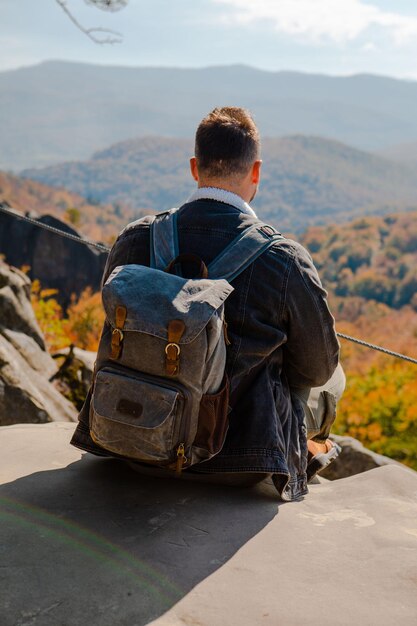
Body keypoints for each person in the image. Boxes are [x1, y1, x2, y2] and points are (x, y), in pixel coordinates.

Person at [71, 106, 345, 501]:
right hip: (236, 465)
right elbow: (317, 368)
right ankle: (302, 447)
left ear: (194, 167)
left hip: (128, 441)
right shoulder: (284, 260)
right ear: (256, 172)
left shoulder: (136, 238)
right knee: (334, 378)